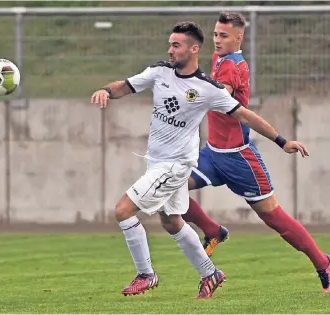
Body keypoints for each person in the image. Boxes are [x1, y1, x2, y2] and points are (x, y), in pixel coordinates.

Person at [91, 21, 308, 299]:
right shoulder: (159, 72)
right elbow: (125, 86)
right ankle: (210, 273)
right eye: (170, 44)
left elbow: (246, 115)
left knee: (123, 211)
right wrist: (106, 91)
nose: (170, 50)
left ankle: (146, 274)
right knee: (171, 221)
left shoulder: (207, 88)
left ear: (194, 49)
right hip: (156, 161)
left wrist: (282, 141)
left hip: (175, 166)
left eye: (176, 45)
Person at [181, 12, 330, 293]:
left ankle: (324, 264)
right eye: (215, 34)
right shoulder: (218, 59)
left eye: (224, 35)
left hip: (239, 159)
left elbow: (220, 99)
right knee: (169, 188)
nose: (217, 40)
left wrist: (282, 141)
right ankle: (213, 231)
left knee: (275, 218)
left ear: (239, 37)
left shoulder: (233, 67)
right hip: (212, 154)